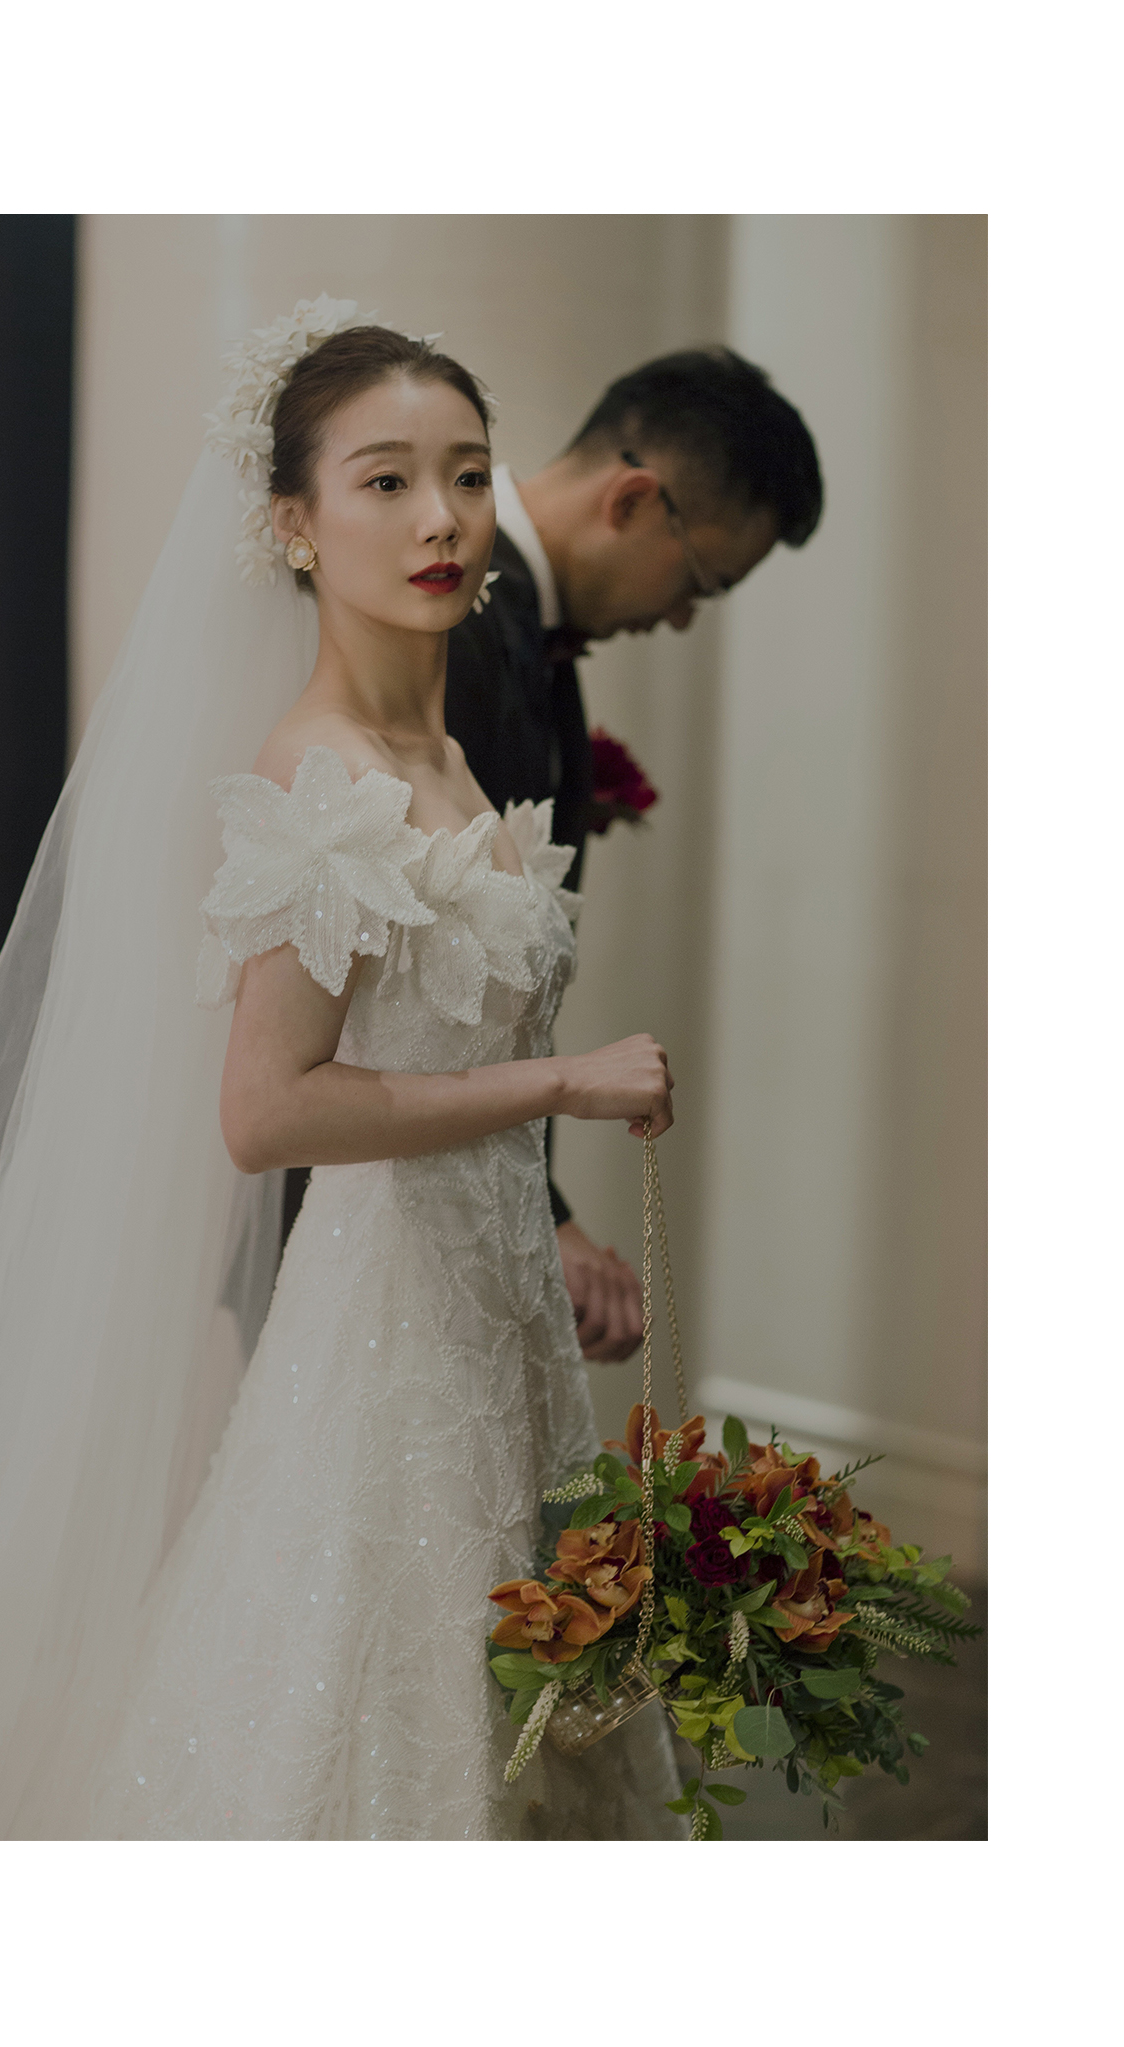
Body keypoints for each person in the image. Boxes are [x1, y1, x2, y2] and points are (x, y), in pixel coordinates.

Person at [0, 299, 686, 1840]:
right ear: (292, 523)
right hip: (388, 1320)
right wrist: (561, 1084)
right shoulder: (317, 769)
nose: (441, 516)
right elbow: (267, 1111)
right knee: (375, 1707)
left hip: (497, 1317)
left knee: (517, 1692)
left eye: (467, 473)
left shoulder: (445, 755)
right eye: (385, 479)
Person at [430, 351, 823, 1363]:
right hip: (389, 1216)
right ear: (635, 499)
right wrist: (543, 1213)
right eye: (701, 581)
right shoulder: (450, 617)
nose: (682, 617)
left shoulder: (519, 623)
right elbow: (424, 988)